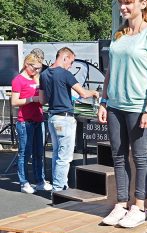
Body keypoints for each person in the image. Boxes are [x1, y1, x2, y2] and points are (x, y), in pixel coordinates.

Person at [98, 0, 147, 229]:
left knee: (139, 157)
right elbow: (109, 72)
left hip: (137, 106)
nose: (123, 7)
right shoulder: (119, 34)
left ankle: (139, 207)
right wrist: (103, 101)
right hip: (114, 104)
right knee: (117, 156)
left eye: (128, 2)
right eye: (121, 3)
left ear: (142, 4)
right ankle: (121, 203)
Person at [39, 48, 100, 192]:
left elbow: (42, 100)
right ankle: (59, 189)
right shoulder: (65, 74)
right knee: (64, 156)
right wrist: (95, 93)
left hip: (52, 118)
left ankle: (59, 185)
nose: (71, 66)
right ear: (64, 57)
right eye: (71, 62)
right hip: (64, 118)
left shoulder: (44, 74)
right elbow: (83, 93)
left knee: (56, 153)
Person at [11, 53, 51, 193]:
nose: (37, 71)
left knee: (39, 153)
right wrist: (32, 99)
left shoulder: (38, 78)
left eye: (39, 68)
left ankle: (40, 181)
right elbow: (14, 102)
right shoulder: (18, 80)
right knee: (25, 153)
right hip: (25, 122)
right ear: (27, 65)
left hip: (38, 119)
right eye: (35, 68)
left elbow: (42, 98)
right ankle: (24, 183)